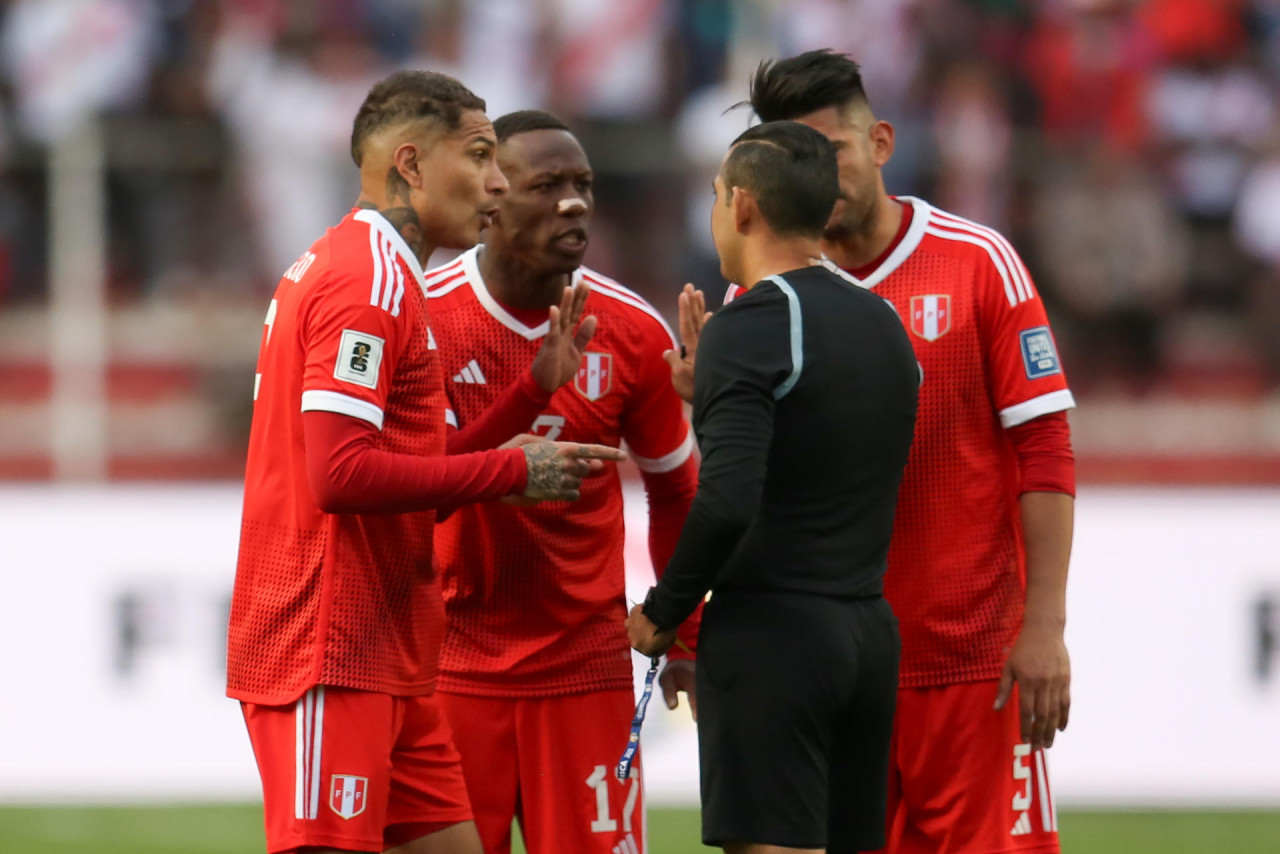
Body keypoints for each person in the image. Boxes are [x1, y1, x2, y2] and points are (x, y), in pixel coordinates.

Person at [226, 71, 626, 854]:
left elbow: (415, 475)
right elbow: (340, 475)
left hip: (390, 651)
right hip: (327, 645)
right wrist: (511, 473)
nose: (499, 180)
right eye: (479, 155)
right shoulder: (365, 280)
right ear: (409, 163)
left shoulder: (388, 275)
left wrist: (526, 398)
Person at [696, 50, 1076, 854]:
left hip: (969, 662)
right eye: (792, 155)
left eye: (829, 149)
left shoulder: (977, 263)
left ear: (881, 143)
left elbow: (1044, 448)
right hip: (826, 666)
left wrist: (1042, 626)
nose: (814, 172)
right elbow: (743, 484)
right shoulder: (756, 296)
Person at [627, 120, 920, 854]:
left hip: (774, 639)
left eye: (719, 193)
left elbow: (728, 499)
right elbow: (825, 444)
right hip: (866, 632)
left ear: (745, 207)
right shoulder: (884, 318)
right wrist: (718, 401)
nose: (717, 207)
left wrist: (663, 613)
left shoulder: (751, 322)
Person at [424, 109, 702, 854]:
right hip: (450, 669)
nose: (574, 203)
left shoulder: (631, 329)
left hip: (586, 672)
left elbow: (678, 489)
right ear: (491, 198)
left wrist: (686, 637)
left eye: (583, 185)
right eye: (547, 186)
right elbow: (401, 485)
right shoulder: (425, 320)